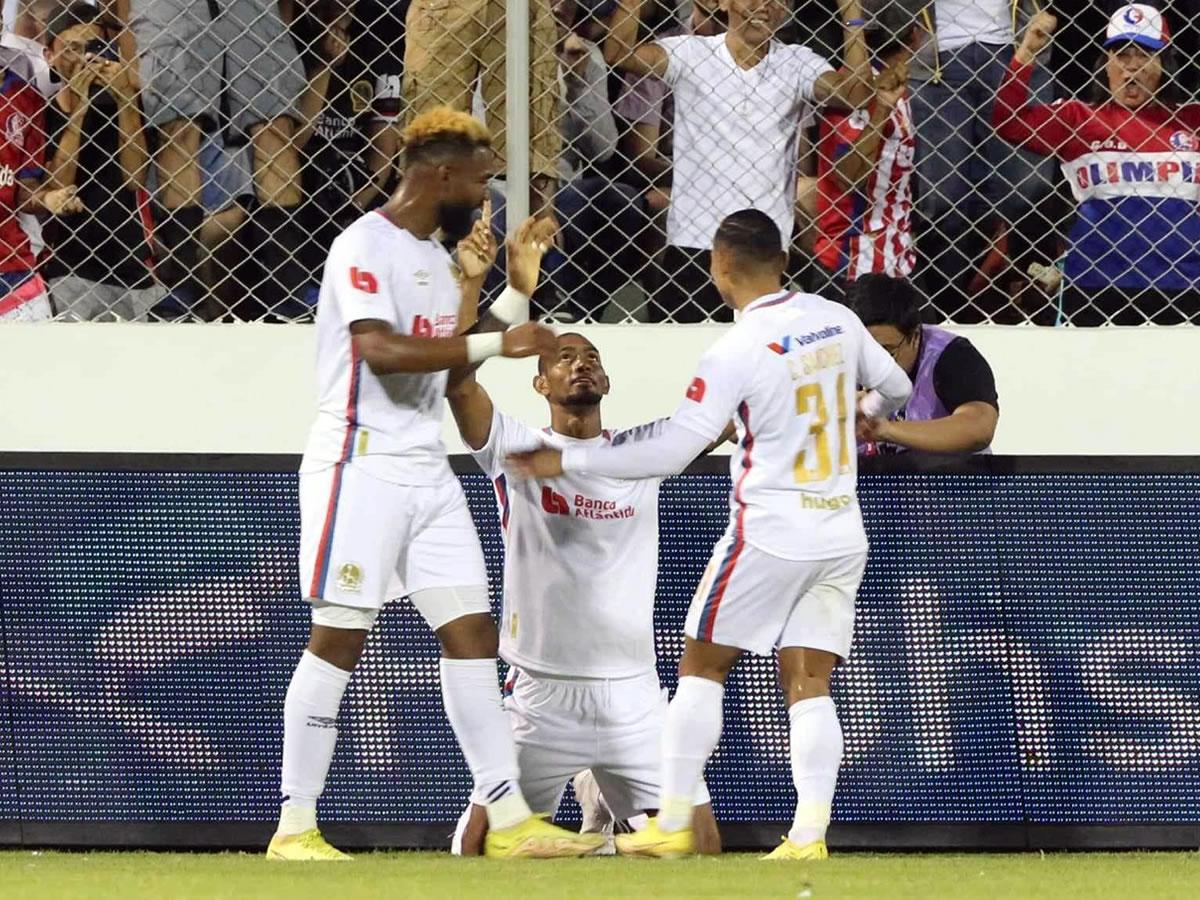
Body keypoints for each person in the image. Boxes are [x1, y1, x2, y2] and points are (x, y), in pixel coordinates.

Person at [508, 209, 911, 859]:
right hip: (841, 531)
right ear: (783, 259)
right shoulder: (838, 319)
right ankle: (809, 836)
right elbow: (895, 385)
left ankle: (669, 822)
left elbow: (672, 448)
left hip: (772, 530)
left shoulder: (736, 349)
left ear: (720, 267)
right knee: (808, 679)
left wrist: (570, 459)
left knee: (702, 664)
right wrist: (867, 413)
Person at [268, 106, 601, 861]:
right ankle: (294, 826)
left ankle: (510, 818)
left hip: (425, 465)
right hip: (360, 463)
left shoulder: (432, 256)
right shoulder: (364, 243)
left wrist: (513, 294)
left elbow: (451, 363)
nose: (487, 197)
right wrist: (497, 333)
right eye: (482, 181)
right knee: (339, 638)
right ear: (442, 176)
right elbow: (380, 352)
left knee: (472, 634)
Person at [445, 328, 722, 855]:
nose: (580, 365)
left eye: (591, 357)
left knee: (701, 849)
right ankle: (603, 839)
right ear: (540, 382)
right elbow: (458, 387)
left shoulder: (644, 451)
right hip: (541, 693)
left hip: (633, 694)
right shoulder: (514, 447)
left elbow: (718, 421)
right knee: (477, 850)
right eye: (564, 357)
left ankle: (604, 846)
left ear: (608, 381)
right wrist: (501, 322)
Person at [604, 0, 875, 322]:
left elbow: (854, 95)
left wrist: (851, 14)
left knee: (761, 364)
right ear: (723, 3)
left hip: (765, 249)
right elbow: (619, 54)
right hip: (696, 244)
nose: (765, 6)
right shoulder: (692, 53)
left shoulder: (797, 61)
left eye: (777, 0)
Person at [993, 6, 1200, 325]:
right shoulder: (1078, 118)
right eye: (1121, 55)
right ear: (1105, 65)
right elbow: (1008, 121)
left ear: (1164, 65)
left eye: (1145, 56)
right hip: (1095, 283)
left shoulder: (1191, 120)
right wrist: (1026, 52)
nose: (1132, 68)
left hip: (1185, 283)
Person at [907, 0, 1056, 322]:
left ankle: (1027, 301)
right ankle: (947, 312)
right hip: (933, 56)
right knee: (942, 201)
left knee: (1029, 190)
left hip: (1018, 44)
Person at [43, 3, 165, 320]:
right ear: (49, 57)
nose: (85, 59)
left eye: (94, 47)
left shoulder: (126, 106)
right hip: (68, 264)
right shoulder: (41, 112)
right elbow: (58, 185)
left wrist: (124, 99)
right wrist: (79, 109)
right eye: (71, 49)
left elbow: (135, 178)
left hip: (133, 261)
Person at [812, 13, 919, 306]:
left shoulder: (907, 88)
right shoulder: (852, 91)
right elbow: (845, 177)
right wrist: (881, 110)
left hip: (900, 260)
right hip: (851, 266)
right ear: (918, 35)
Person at [851, 274, 998, 454]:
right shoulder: (841, 355)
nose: (875, 364)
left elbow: (978, 429)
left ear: (915, 336)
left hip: (950, 477)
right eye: (864, 353)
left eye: (888, 352)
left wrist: (886, 430)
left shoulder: (951, 355)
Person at [0, 34, 83, 321]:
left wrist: (48, 197)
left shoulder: (26, 98)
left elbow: (24, 187)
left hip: (10, 267)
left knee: (40, 364)